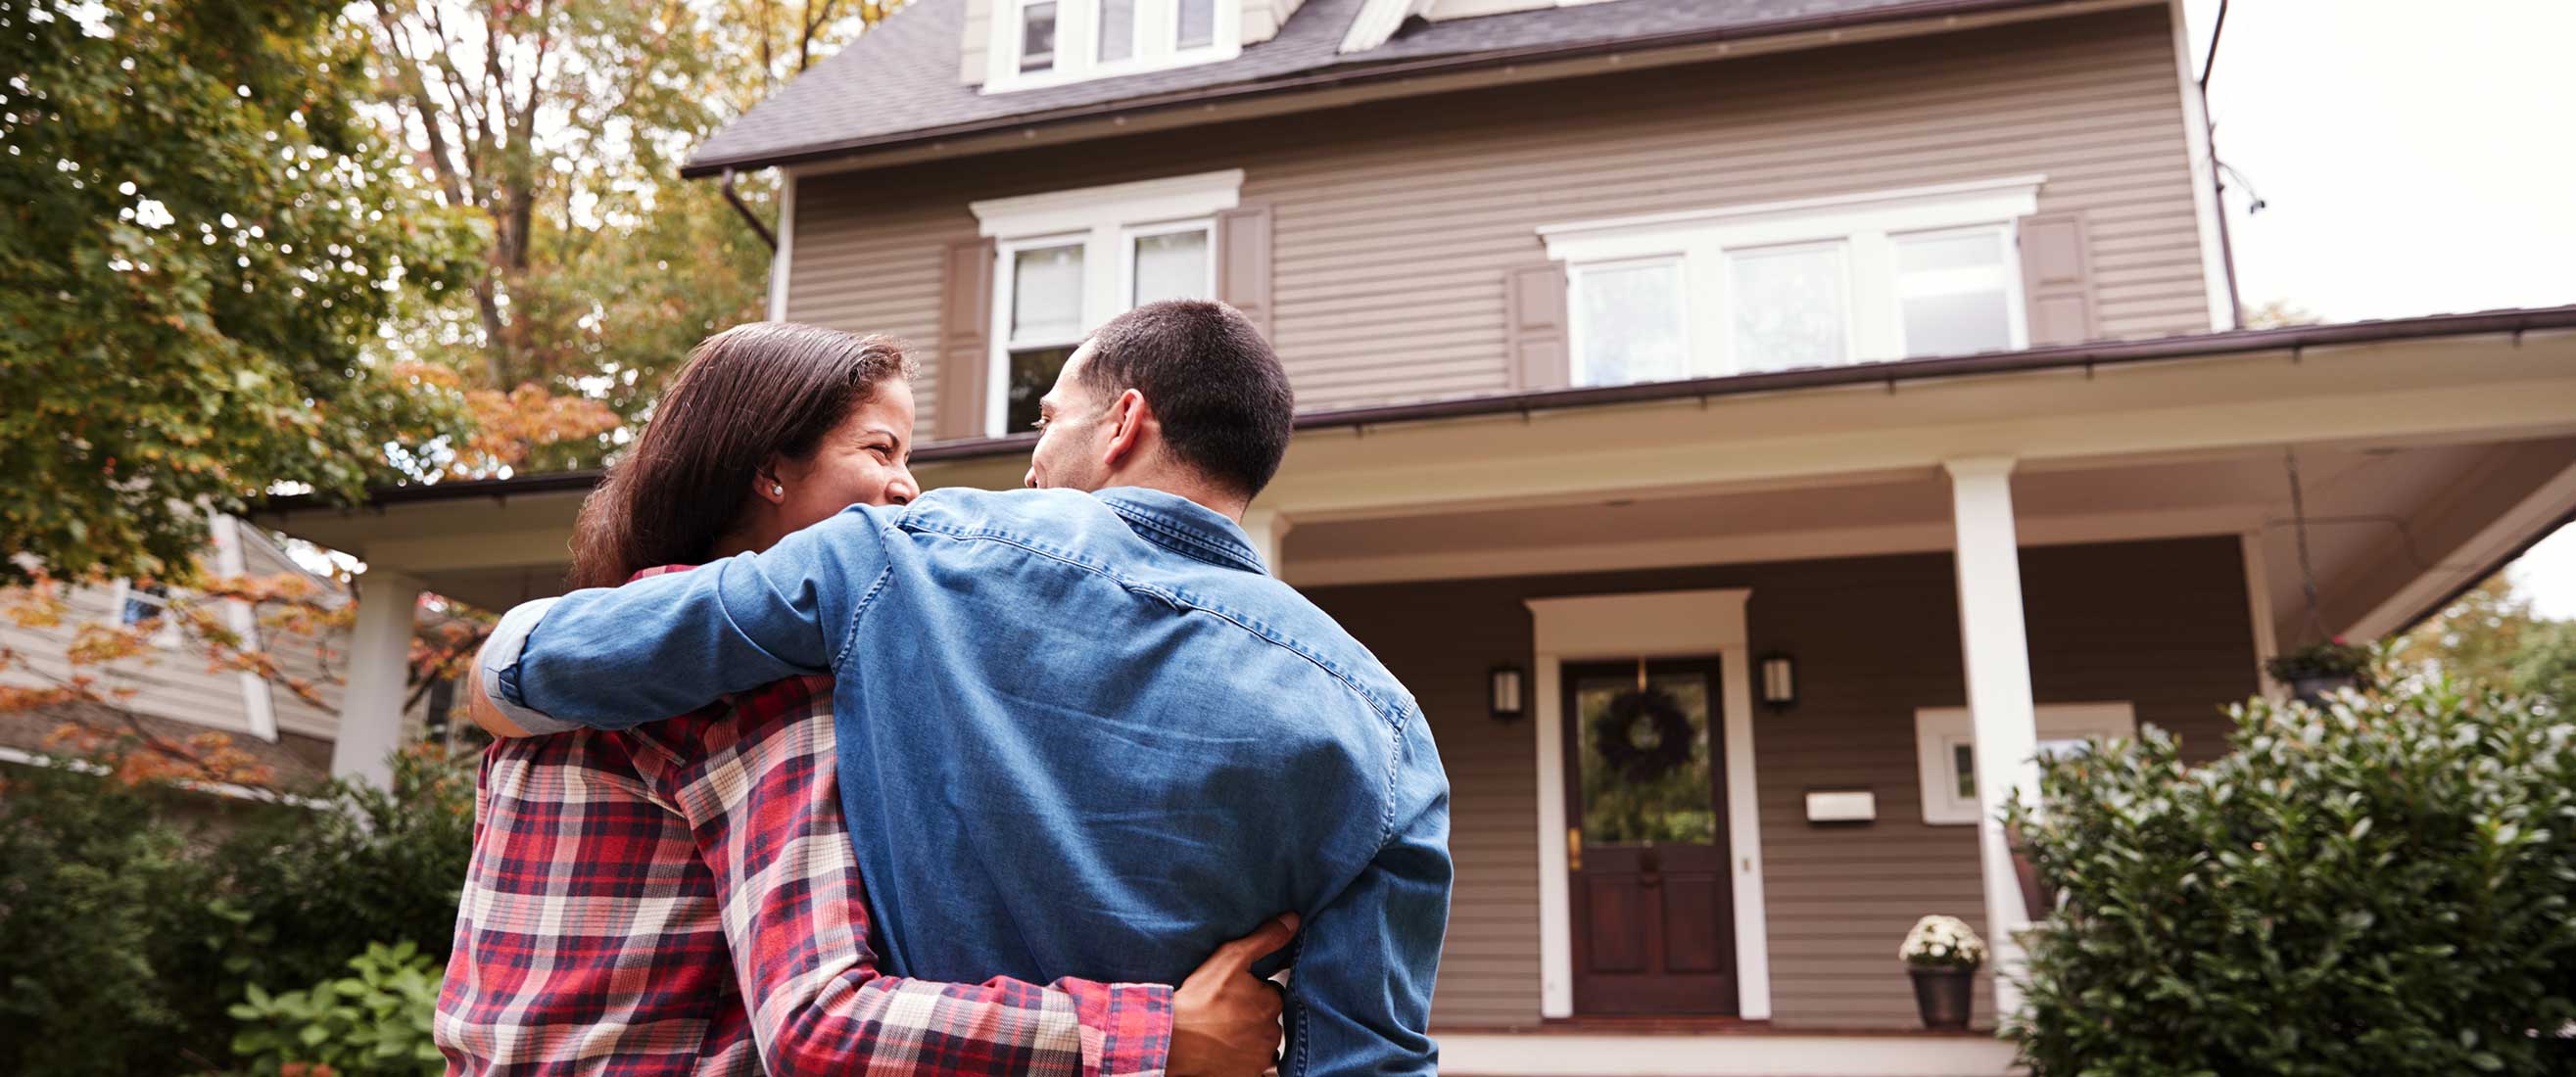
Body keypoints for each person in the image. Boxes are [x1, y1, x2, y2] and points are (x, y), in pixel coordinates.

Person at [466, 301, 1451, 1077]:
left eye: (1048, 418)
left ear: (1123, 424)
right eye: (883, 451)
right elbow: (1372, 1053)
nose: (1028, 460)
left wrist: (501, 663)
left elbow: (585, 652)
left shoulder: (904, 563)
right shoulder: (1389, 729)